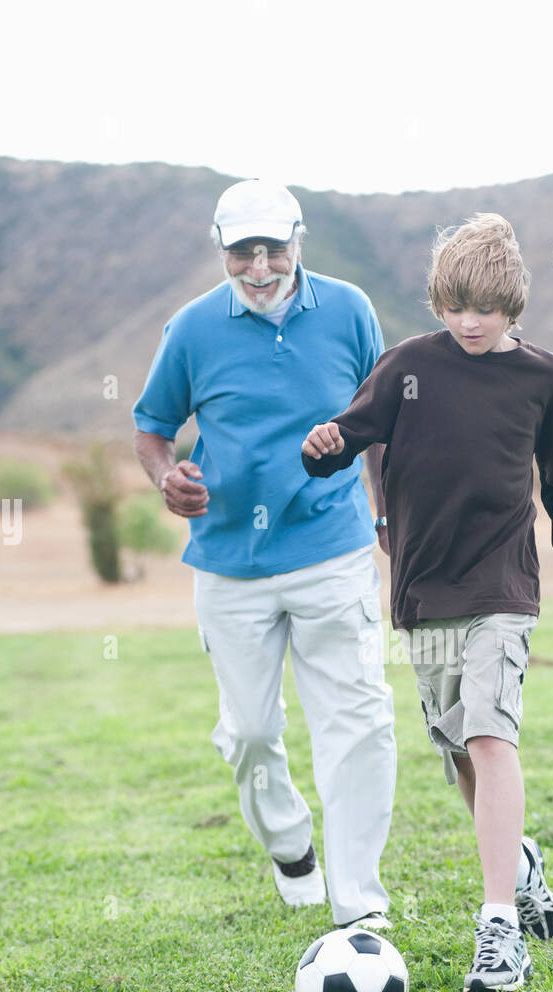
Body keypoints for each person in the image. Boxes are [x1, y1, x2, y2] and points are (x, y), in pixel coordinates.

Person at [302, 213, 553, 992]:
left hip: (502, 587)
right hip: (422, 589)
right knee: (457, 756)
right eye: (453, 307)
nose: (467, 322)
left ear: (512, 303)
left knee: (487, 734)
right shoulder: (408, 365)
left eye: (482, 307)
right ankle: (519, 865)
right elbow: (348, 436)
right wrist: (324, 450)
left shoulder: (541, 378)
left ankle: (497, 929)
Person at [133, 180, 396, 931]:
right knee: (249, 731)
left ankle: (359, 905)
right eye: (241, 250)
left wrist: (385, 513)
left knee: (357, 718)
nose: (258, 265)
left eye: (272, 247)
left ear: (299, 241)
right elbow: (152, 427)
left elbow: (378, 421)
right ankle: (290, 848)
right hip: (228, 563)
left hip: (330, 546)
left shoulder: (349, 310)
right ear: (220, 249)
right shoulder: (189, 329)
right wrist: (166, 477)